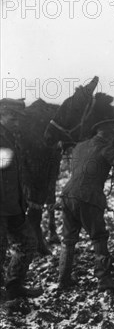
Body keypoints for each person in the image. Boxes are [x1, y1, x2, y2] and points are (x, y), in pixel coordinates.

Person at [58, 102, 114, 292]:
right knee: (99, 237)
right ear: (109, 131)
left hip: (66, 194)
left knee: (68, 239)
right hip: (88, 197)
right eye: (113, 130)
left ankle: (63, 279)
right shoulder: (106, 148)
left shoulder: (80, 146)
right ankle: (104, 279)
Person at [0, 98, 44, 303]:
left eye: (18, 119)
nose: (16, 123)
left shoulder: (9, 137)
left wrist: (22, 201)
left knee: (28, 243)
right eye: (12, 118)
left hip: (13, 206)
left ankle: (14, 287)